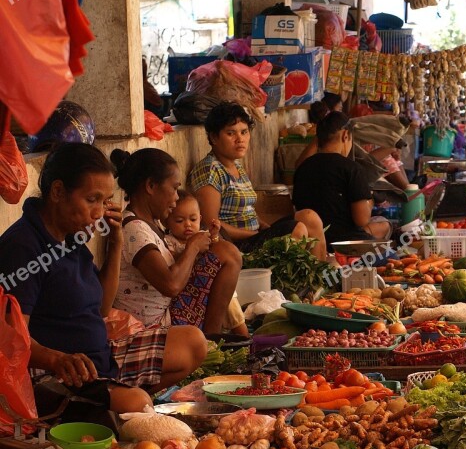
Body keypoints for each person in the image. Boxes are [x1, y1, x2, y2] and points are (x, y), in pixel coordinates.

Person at [0, 143, 206, 417]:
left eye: (104, 201)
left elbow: (102, 309)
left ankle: (117, 402)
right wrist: (57, 359)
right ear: (58, 191)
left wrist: (116, 240)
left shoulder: (71, 236)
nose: (99, 212)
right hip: (56, 373)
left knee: (193, 342)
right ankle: (115, 407)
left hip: (99, 357)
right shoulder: (24, 246)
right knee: (136, 404)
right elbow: (12, 341)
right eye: (91, 199)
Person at [111, 148, 243, 336]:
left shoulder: (152, 223)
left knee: (222, 250)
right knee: (227, 253)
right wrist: (193, 246)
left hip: (170, 312)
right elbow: (170, 285)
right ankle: (210, 340)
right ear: (150, 186)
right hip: (156, 324)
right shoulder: (134, 229)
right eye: (174, 188)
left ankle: (212, 340)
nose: (175, 198)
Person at [189, 102, 327, 261]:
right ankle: (295, 284)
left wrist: (265, 227)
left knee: (309, 217)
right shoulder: (209, 170)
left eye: (244, 132)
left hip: (254, 235)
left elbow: (247, 211)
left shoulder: (236, 166)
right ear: (214, 137)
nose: (239, 139)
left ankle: (320, 280)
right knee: (296, 230)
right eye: (231, 133)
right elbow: (211, 224)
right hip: (236, 245)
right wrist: (256, 234)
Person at [293, 111, 392, 247]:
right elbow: (362, 220)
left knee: (381, 226)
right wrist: (370, 199)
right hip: (345, 245)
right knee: (393, 255)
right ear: (346, 136)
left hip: (311, 243)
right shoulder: (351, 169)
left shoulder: (302, 168)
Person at [164, 190, 248, 336]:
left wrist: (214, 235)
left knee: (231, 299)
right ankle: (235, 337)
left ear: (200, 219)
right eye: (179, 221)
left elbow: (215, 251)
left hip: (208, 283)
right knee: (229, 300)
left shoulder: (200, 236)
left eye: (193, 219)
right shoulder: (169, 242)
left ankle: (244, 336)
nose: (188, 225)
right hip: (189, 289)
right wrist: (189, 250)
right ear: (167, 222)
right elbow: (171, 261)